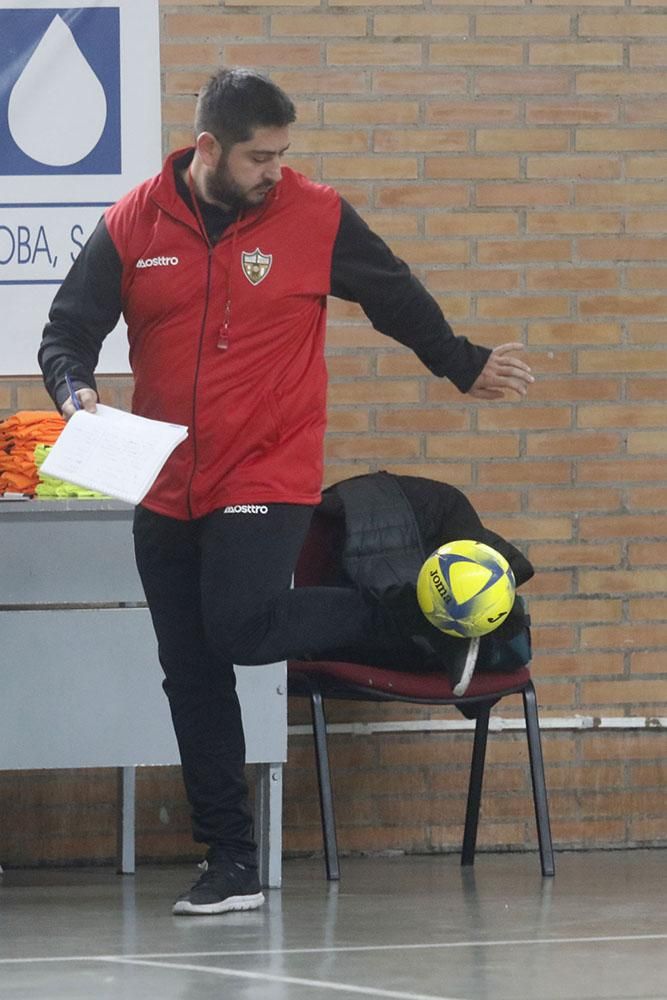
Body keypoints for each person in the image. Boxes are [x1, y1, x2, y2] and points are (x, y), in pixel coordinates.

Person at [39, 67, 534, 916]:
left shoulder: (315, 214)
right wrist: (75, 392)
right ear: (207, 149)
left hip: (266, 467)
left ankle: (414, 615)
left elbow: (394, 296)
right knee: (188, 672)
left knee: (241, 625)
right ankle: (231, 862)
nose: (275, 169)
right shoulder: (132, 222)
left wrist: (462, 363)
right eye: (258, 156)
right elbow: (66, 331)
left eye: (282, 154)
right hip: (163, 481)